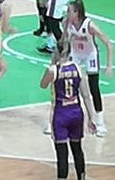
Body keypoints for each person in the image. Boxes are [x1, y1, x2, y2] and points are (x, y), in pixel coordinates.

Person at [40, 40, 96, 180]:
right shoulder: (78, 68)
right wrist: (91, 118)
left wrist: (52, 64)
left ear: (56, 51)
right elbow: (86, 95)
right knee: (77, 149)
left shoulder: (53, 70)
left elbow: (43, 85)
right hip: (76, 113)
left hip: (60, 114)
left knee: (62, 154)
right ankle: (81, 177)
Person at [66, 0, 114, 137]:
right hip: (76, 54)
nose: (67, 14)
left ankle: (100, 122)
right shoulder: (67, 23)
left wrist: (109, 65)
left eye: (69, 11)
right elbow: (64, 40)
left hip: (90, 55)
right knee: (71, 85)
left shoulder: (90, 26)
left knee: (94, 88)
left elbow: (108, 43)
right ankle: (72, 117)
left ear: (77, 12)